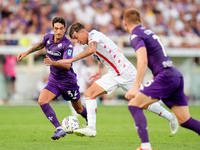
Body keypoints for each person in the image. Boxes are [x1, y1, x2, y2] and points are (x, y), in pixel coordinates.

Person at [57, 22, 179, 137]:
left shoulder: (94, 35)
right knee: (89, 94)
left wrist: (71, 60)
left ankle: (170, 117)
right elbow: (98, 53)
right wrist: (100, 69)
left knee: (144, 103)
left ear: (83, 31)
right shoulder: (89, 43)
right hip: (113, 74)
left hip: (126, 72)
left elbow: (93, 50)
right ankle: (91, 128)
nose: (77, 41)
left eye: (76, 37)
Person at [123, 8, 200, 150]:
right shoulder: (149, 32)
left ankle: (145, 147)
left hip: (165, 76)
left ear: (125, 24)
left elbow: (143, 61)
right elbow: (157, 57)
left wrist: (136, 87)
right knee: (184, 120)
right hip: (174, 75)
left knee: (134, 105)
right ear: (140, 21)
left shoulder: (135, 36)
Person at [17, 17, 87, 140]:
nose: (58, 31)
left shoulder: (67, 44)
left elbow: (67, 65)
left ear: (65, 29)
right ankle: (59, 129)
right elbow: (40, 44)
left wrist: (53, 62)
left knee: (79, 109)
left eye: (61, 29)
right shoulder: (48, 38)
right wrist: (26, 52)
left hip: (68, 82)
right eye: (56, 28)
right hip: (54, 81)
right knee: (42, 100)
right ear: (52, 28)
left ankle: (91, 122)